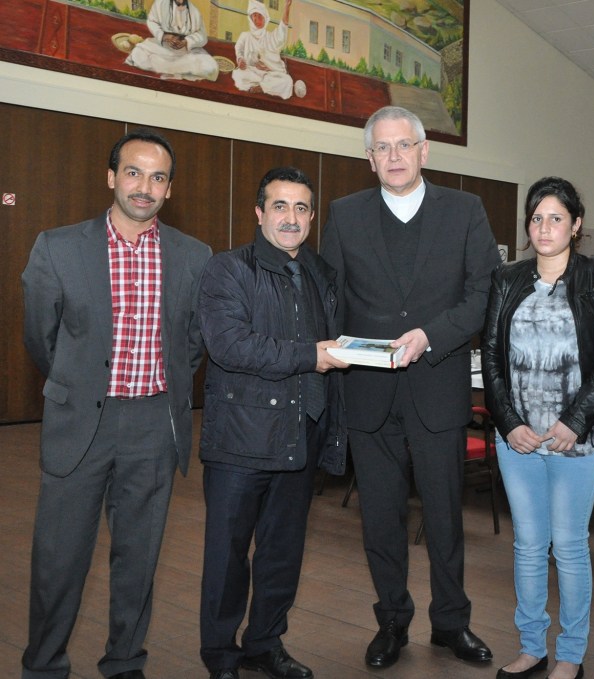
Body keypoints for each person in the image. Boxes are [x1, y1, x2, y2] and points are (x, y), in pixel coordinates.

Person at [20, 130, 212, 679]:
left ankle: (125, 661)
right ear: (111, 177)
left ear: (169, 189)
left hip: (154, 424)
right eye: (133, 172)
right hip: (81, 421)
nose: (144, 186)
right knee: (59, 559)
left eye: (157, 177)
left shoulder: (194, 257)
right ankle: (44, 665)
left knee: (139, 559)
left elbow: (192, 342)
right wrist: (76, 382)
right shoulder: (57, 247)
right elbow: (42, 337)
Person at [319, 105, 501, 670]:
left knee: (445, 517)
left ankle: (451, 624)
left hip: (436, 389)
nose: (394, 156)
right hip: (368, 397)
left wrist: (432, 334)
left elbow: (482, 293)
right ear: (369, 158)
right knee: (380, 520)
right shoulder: (344, 215)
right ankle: (392, 622)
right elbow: (331, 298)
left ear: (425, 152)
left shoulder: (466, 211)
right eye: (382, 147)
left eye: (404, 146)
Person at [196, 167, 349, 679]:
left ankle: (265, 643)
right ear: (259, 213)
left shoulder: (320, 272)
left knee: (282, 554)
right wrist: (311, 355)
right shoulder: (227, 270)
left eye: (302, 208)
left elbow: (335, 341)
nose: (291, 218)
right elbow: (230, 345)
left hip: (300, 435)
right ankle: (220, 656)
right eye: (280, 206)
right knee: (227, 556)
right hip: (240, 438)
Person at [482, 177, 594, 679]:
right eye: (537, 218)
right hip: (519, 440)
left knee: (567, 546)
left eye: (556, 218)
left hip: (577, 441)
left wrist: (574, 420)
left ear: (576, 224)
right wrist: (509, 423)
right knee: (526, 544)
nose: (545, 228)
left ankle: (569, 654)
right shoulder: (507, 278)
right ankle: (531, 646)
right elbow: (493, 361)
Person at [125, 0, 219, 82]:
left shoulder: (194, 11)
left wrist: (187, 41)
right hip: (162, 46)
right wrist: (164, 36)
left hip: (185, 50)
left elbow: (202, 35)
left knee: (210, 67)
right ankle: (178, 69)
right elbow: (152, 21)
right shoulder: (160, 3)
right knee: (138, 53)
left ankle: (173, 69)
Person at [232, 0, 295, 99]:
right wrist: (240, 59)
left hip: (270, 75)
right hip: (252, 72)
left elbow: (282, 30)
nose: (257, 19)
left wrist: (287, 7)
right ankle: (264, 86)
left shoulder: (270, 37)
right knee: (238, 75)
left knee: (287, 81)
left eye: (260, 16)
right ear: (250, 18)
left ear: (265, 18)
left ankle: (261, 87)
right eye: (254, 16)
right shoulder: (245, 36)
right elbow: (238, 49)